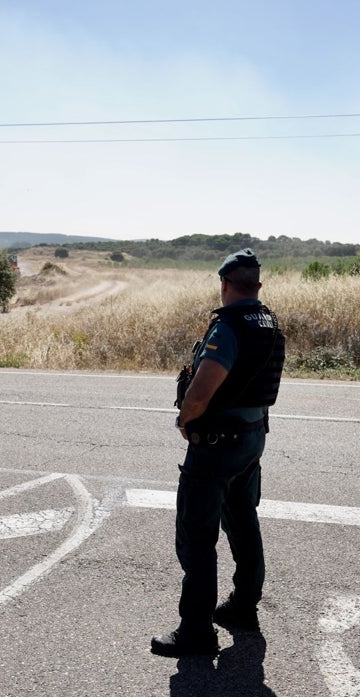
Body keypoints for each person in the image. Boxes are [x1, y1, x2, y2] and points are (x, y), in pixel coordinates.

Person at [151, 248, 286, 658]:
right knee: (243, 521)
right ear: (257, 286)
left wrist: (186, 419)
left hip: (216, 444)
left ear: (225, 285)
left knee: (197, 535)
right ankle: (243, 607)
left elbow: (204, 386)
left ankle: (196, 630)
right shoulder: (269, 324)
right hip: (252, 439)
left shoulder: (227, 328)